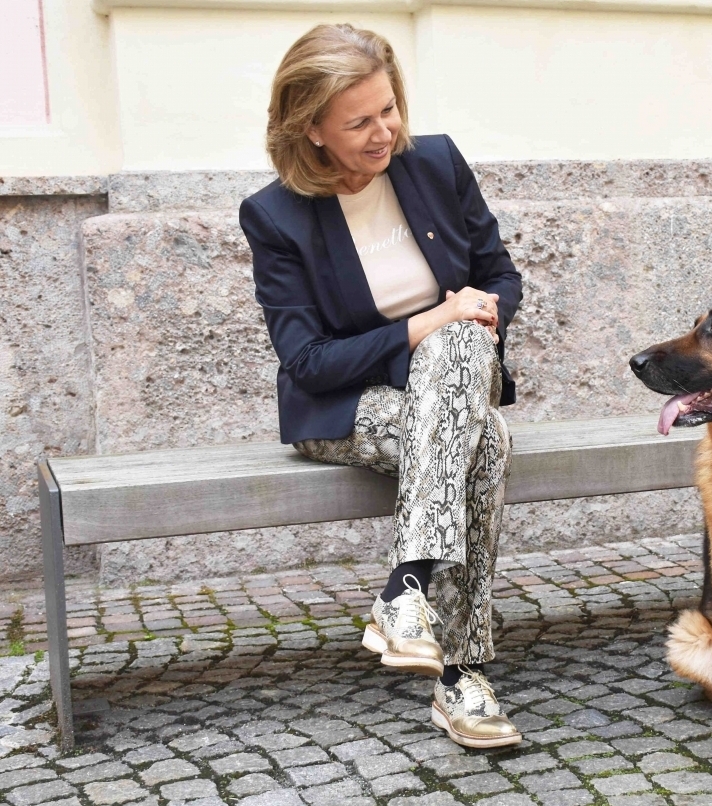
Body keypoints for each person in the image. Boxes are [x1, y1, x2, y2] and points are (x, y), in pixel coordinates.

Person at [239, 23, 524, 748]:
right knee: (482, 440)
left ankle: (404, 594)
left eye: (389, 109)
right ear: (310, 130)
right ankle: (458, 674)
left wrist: (468, 319)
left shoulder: (433, 164)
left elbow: (498, 276)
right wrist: (425, 326)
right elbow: (306, 360)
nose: (383, 132)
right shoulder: (275, 216)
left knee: (461, 346)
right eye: (359, 121)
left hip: (451, 385)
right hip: (343, 410)